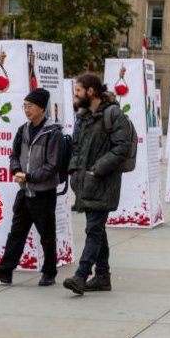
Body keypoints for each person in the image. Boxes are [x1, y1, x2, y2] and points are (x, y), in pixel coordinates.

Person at [0, 88, 63, 286]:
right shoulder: (23, 130)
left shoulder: (53, 132)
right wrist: (16, 169)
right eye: (25, 106)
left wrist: (29, 176)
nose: (27, 110)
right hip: (24, 192)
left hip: (43, 193)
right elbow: (14, 155)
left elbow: (53, 165)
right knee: (17, 232)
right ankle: (5, 271)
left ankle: (49, 273)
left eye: (31, 106)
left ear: (42, 108)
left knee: (46, 235)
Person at [63, 74, 133, 295]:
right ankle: (102, 276)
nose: (75, 95)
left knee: (93, 229)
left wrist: (97, 169)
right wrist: (74, 171)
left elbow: (122, 147)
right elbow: (77, 147)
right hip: (85, 182)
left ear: (91, 91)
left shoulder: (113, 114)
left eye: (78, 91)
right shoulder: (85, 116)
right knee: (97, 229)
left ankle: (81, 275)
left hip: (104, 182)